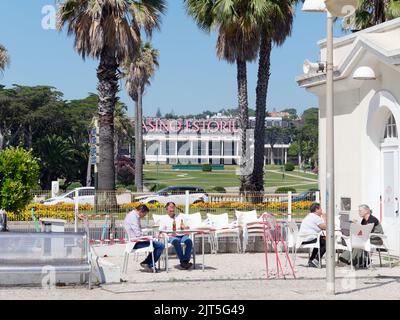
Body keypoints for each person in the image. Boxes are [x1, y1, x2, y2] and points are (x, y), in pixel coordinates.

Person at [339, 204, 383, 268]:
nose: (359, 212)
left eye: (360, 211)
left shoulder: (372, 219)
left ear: (366, 211)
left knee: (359, 242)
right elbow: (363, 231)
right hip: (367, 238)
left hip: (376, 239)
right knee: (357, 241)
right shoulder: (364, 220)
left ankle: (353, 260)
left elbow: (367, 231)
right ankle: (350, 259)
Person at [124, 204, 165, 273]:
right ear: (141, 212)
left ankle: (147, 263)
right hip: (135, 242)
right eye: (145, 214)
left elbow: (137, 231)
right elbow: (138, 234)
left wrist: (146, 235)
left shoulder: (132, 215)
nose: (144, 216)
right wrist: (148, 237)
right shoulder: (134, 217)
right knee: (160, 245)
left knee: (156, 243)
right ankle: (149, 264)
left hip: (134, 240)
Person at [159, 202, 193, 270]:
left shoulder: (180, 216)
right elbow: (161, 230)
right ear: (167, 208)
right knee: (176, 241)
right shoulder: (163, 219)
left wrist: (186, 227)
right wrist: (166, 233)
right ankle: (184, 261)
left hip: (182, 234)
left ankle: (185, 261)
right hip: (172, 236)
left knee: (189, 241)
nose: (172, 209)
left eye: (173, 207)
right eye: (170, 207)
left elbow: (187, 226)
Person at [299, 202, 327, 268]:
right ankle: (316, 260)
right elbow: (325, 227)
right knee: (327, 242)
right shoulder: (316, 217)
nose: (322, 211)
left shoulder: (309, 216)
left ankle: (312, 260)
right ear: (317, 209)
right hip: (308, 238)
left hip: (303, 238)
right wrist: (325, 217)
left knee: (321, 240)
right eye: (321, 209)